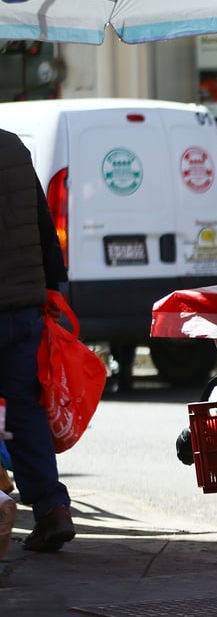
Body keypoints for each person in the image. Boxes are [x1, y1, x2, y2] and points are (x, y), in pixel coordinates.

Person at [0, 127, 76, 554]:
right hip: (24, 308)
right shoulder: (12, 146)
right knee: (26, 410)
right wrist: (53, 284)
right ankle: (52, 510)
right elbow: (44, 225)